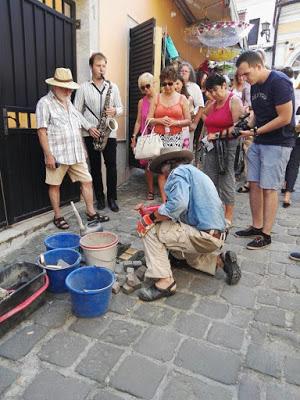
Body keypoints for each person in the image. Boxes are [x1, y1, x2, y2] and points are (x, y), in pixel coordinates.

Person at [135, 147, 241, 302]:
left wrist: (149, 218)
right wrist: (150, 211)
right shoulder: (193, 172)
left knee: (150, 229)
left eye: (163, 171)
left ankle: (165, 282)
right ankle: (221, 261)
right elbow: (174, 207)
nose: (163, 176)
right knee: (186, 257)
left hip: (204, 237)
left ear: (168, 165)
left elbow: (177, 205)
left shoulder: (177, 173)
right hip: (216, 235)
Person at [235, 50, 295, 249]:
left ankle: (266, 234)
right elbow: (257, 114)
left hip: (277, 143)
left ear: (258, 66)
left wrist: (255, 131)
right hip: (259, 141)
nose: (244, 79)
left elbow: (285, 117)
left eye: (246, 74)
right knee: (254, 184)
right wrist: (245, 125)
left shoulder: (279, 81)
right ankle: (256, 225)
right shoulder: (254, 86)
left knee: (269, 188)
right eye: (241, 75)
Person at [36, 67, 106, 229]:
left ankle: (90, 212)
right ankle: (58, 216)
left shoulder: (69, 103)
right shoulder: (44, 103)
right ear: (54, 86)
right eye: (65, 88)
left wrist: (84, 145)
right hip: (58, 154)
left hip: (76, 153)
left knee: (87, 180)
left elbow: (77, 125)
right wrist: (48, 155)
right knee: (54, 185)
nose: (68, 92)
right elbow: (41, 131)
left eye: (70, 89)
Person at [74, 52, 123, 212]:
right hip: (91, 133)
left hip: (109, 132)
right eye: (98, 65)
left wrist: (115, 110)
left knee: (112, 166)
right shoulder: (83, 88)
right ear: (91, 67)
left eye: (104, 66)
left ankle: (112, 198)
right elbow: (76, 111)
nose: (101, 69)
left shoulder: (113, 87)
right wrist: (88, 126)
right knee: (95, 167)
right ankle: (100, 198)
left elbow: (121, 108)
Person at [202, 74, 244, 228]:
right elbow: (204, 114)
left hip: (228, 146)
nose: (213, 94)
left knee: (226, 177)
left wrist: (218, 134)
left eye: (215, 90)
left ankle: (228, 215)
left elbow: (238, 127)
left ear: (224, 86)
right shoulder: (213, 103)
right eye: (210, 91)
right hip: (212, 145)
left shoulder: (233, 100)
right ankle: (212, 211)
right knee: (209, 178)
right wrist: (209, 129)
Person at [147, 66, 191, 202]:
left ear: (175, 82)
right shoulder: (157, 98)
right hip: (159, 138)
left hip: (175, 138)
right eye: (164, 84)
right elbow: (148, 120)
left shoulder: (182, 99)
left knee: (173, 171)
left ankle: (174, 198)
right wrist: (159, 120)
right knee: (161, 171)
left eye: (170, 83)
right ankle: (165, 200)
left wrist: (175, 123)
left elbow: (189, 121)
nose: (167, 87)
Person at [131, 72, 156, 200]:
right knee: (148, 165)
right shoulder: (142, 102)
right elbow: (138, 121)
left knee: (163, 163)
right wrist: (134, 136)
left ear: (154, 84)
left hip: (159, 135)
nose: (146, 89)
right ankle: (151, 190)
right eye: (142, 88)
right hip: (146, 135)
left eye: (147, 86)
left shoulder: (161, 98)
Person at [280, 68, 300, 208]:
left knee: (292, 162)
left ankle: (287, 190)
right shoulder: (295, 93)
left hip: (293, 131)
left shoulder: (295, 92)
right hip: (294, 131)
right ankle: (287, 192)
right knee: (293, 162)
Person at [179, 62, 204, 150]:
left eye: (186, 71)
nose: (183, 73)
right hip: (175, 125)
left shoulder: (195, 87)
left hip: (188, 126)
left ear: (190, 74)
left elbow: (201, 106)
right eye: (181, 71)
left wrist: (195, 124)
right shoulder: (175, 85)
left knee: (186, 151)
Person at [174, 75, 194, 149]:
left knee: (184, 151)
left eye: (177, 83)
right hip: (172, 129)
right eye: (173, 84)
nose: (175, 86)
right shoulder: (169, 98)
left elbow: (191, 115)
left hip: (184, 129)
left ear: (182, 84)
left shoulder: (189, 98)